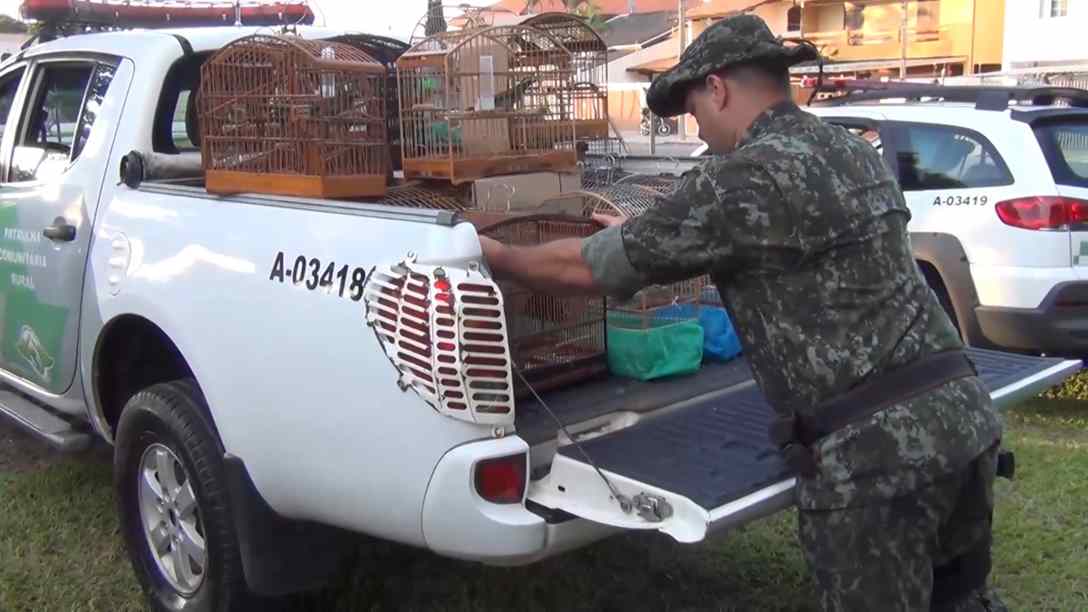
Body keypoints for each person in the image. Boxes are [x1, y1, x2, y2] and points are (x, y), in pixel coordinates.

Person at [479, 13, 1007, 612]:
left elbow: (586, 269)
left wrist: (498, 255)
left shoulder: (742, 178)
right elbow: (782, 247)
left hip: (878, 459)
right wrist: (644, 233)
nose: (699, 129)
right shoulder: (850, 151)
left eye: (694, 108)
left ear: (719, 87)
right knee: (962, 600)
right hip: (961, 419)